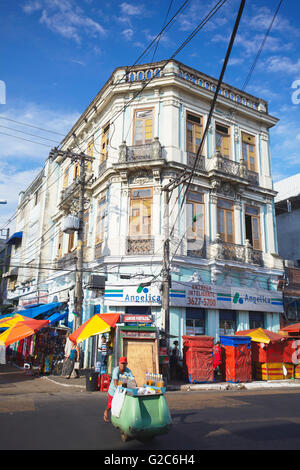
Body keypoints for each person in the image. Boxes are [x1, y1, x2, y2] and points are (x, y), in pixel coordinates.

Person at [104, 356, 133, 423]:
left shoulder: (128, 371)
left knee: (121, 405)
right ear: (119, 363)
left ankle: (118, 419)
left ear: (126, 364)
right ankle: (106, 411)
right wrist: (118, 390)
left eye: (124, 363)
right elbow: (115, 382)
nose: (122, 365)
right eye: (121, 363)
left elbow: (132, 380)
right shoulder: (116, 370)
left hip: (123, 391)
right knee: (111, 405)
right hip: (113, 391)